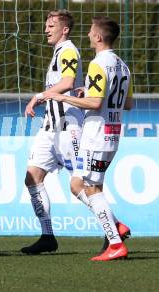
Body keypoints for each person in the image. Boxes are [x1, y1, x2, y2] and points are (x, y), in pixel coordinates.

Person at [46, 16, 133, 261]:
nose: (87, 35)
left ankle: (116, 243)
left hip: (96, 134)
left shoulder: (98, 63)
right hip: (112, 133)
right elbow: (128, 103)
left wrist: (65, 98)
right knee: (79, 184)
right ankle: (116, 229)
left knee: (90, 188)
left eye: (90, 32)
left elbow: (94, 103)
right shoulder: (123, 65)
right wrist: (92, 94)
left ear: (98, 37)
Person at [22, 10, 84, 254]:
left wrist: (39, 95)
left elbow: (68, 82)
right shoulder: (59, 52)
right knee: (32, 177)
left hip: (68, 128)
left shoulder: (68, 50)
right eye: (46, 25)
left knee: (82, 185)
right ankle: (47, 235)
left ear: (65, 29)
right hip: (50, 127)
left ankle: (114, 226)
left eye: (51, 25)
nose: (46, 29)